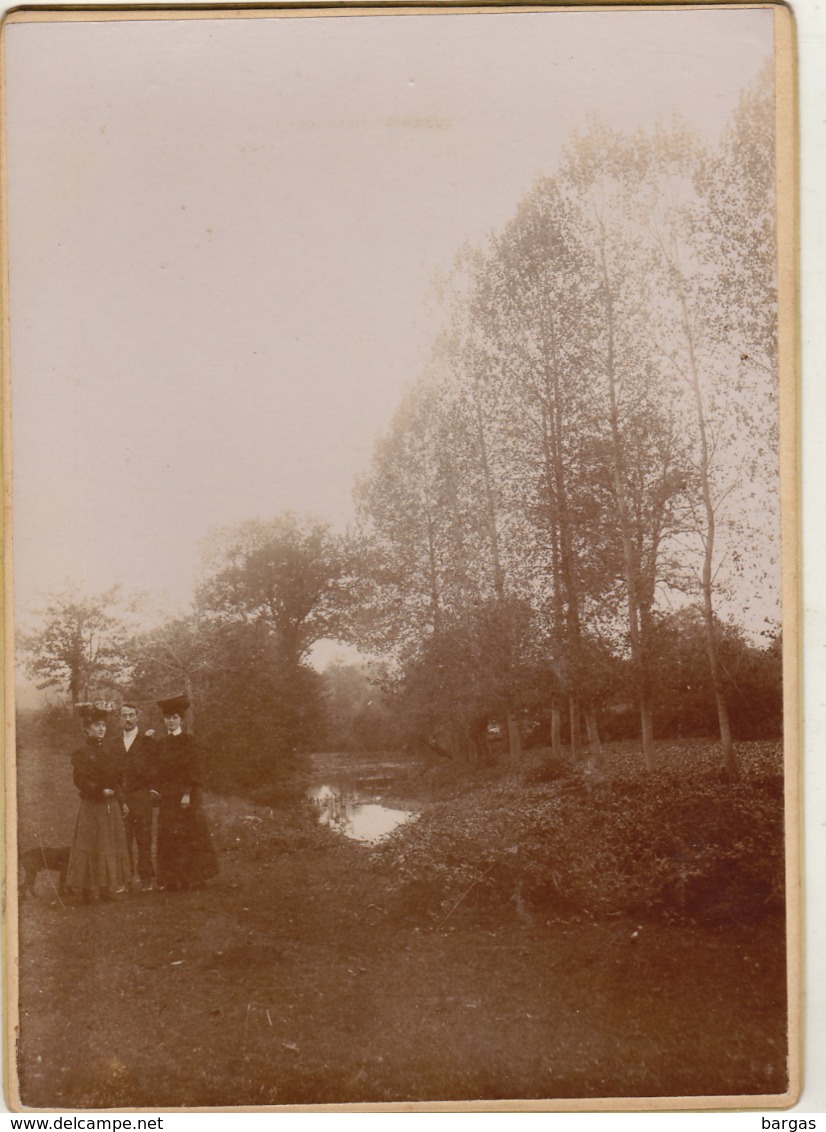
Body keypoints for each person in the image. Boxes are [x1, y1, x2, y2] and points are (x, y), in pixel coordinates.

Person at [65, 705, 132, 903]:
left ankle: (105, 888)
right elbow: (80, 780)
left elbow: (118, 777)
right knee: (89, 845)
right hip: (92, 804)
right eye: (96, 725)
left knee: (108, 844)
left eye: (103, 725)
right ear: (87, 729)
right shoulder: (81, 752)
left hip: (109, 805)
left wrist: (121, 799)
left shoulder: (111, 750)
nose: (101, 728)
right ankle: (87, 890)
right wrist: (98, 790)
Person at [153, 694, 218, 892]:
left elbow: (194, 768)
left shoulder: (189, 741)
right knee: (169, 837)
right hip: (168, 797)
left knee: (190, 835)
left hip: (186, 796)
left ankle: (194, 878)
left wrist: (187, 793)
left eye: (174, 718)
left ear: (181, 719)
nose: (170, 721)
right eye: (167, 718)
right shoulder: (162, 743)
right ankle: (172, 880)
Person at [113, 703, 159, 891]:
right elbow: (111, 771)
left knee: (144, 840)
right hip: (122, 797)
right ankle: (126, 879)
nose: (128, 719)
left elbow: (156, 767)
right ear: (119, 719)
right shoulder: (114, 743)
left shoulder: (148, 741)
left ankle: (146, 879)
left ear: (138, 717)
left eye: (131, 715)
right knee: (123, 840)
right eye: (124, 715)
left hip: (142, 797)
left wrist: (152, 791)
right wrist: (118, 795)